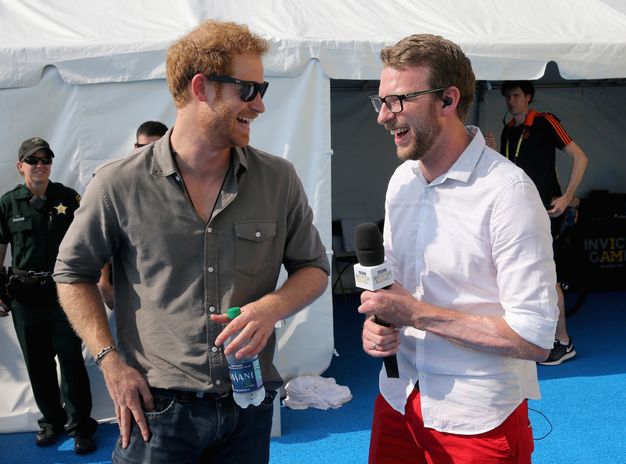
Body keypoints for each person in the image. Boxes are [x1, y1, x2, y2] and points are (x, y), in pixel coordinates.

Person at [54, 20, 329, 464]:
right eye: (248, 89)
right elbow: (71, 273)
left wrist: (271, 307)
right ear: (202, 87)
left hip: (249, 404)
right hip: (157, 414)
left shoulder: (278, 179)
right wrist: (109, 362)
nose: (259, 105)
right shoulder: (118, 184)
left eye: (264, 89)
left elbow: (314, 268)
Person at [359, 34, 558, 463]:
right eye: (381, 102)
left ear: (447, 100)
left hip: (476, 418)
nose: (383, 117)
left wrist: (415, 314)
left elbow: (536, 336)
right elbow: (394, 289)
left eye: (397, 101)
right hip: (397, 397)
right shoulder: (402, 182)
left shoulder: (509, 193)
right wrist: (378, 324)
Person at [0, 137, 98, 454]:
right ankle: (51, 422)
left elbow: (87, 241)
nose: (40, 165)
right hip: (25, 297)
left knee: (71, 361)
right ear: (20, 166)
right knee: (38, 364)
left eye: (46, 159)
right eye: (33, 160)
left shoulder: (68, 199)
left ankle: (81, 427)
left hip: (64, 294)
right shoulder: (7, 203)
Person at [486, 80, 588, 365]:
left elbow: (580, 157)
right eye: (507, 96)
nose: (511, 101)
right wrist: (492, 151)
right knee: (522, 275)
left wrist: (568, 197)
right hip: (519, 213)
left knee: (547, 278)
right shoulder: (508, 130)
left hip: (545, 212)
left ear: (528, 97)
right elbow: (509, 171)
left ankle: (564, 342)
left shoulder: (545, 122)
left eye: (516, 95)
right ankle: (533, 336)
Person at [98, 120, 169, 308]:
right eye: (142, 147)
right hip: (129, 288)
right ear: (135, 146)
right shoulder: (118, 182)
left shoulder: (178, 184)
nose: (147, 153)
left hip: (167, 288)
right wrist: (104, 282)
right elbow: (101, 236)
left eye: (154, 147)